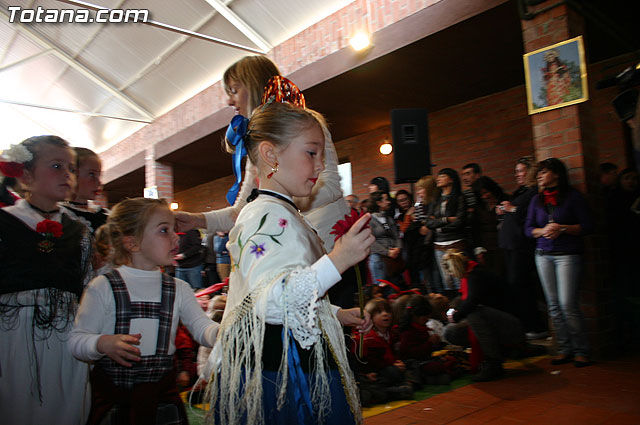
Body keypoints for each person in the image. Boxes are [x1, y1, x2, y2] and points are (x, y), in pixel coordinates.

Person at [203, 100, 374, 425]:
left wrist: (334, 313)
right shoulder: (264, 216)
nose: (321, 165)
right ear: (271, 155)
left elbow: (282, 288)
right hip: (281, 375)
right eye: (311, 152)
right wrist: (338, 260)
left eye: (322, 155)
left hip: (289, 363)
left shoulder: (281, 213)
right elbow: (271, 303)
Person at [69, 197, 219, 424]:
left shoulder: (178, 288)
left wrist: (219, 334)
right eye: (164, 230)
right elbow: (76, 341)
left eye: (174, 229)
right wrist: (101, 343)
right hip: (117, 401)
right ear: (132, 243)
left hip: (161, 400)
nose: (175, 237)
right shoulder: (103, 286)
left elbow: (200, 326)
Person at [0, 136, 92, 425]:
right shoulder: (5, 222)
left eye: (71, 168)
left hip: (65, 330)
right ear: (26, 175)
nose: (67, 174)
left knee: (65, 402)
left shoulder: (79, 230)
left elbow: (85, 282)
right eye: (56, 166)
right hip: (12, 331)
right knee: (17, 401)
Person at [525, 158, 594, 367]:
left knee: (567, 304)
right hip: (543, 254)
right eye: (538, 173)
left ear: (556, 174)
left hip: (567, 255)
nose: (539, 176)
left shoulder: (573, 197)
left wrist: (563, 228)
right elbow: (528, 229)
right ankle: (565, 349)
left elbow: (588, 226)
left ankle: (581, 350)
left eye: (543, 172)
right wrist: (543, 231)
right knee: (553, 305)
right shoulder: (536, 199)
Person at [441, 250, 526, 382]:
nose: (452, 276)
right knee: (451, 331)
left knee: (474, 313)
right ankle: (499, 352)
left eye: (451, 273)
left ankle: (493, 361)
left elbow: (471, 302)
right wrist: (454, 310)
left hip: (511, 326)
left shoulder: (477, 276)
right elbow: (464, 300)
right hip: (498, 322)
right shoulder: (470, 276)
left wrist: (456, 316)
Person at [497, 156, 547, 339]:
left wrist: (511, 209)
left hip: (522, 245)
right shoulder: (521, 191)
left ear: (530, 171)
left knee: (521, 284)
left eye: (520, 171)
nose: (517, 174)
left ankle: (535, 326)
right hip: (510, 244)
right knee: (514, 285)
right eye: (516, 171)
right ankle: (525, 324)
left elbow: (530, 216)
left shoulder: (534, 192)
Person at [425, 168, 466, 297]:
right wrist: (446, 219)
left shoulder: (459, 198)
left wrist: (439, 226)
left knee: (459, 278)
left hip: (456, 243)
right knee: (446, 281)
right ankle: (451, 305)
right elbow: (428, 222)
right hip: (439, 245)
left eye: (442, 176)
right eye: (438, 176)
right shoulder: (435, 200)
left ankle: (462, 303)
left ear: (451, 179)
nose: (438, 179)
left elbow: (459, 221)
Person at [61, 147, 109, 234]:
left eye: (99, 176)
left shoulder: (104, 215)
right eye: (91, 174)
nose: (99, 182)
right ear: (72, 176)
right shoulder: (60, 216)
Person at [471, 176, 507, 275]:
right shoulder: (479, 208)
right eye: (481, 195)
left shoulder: (505, 201)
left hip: (504, 246)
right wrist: (478, 250)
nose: (484, 196)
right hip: (486, 248)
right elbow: (475, 230)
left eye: (486, 192)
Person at [368, 191, 403, 289]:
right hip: (378, 258)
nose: (389, 202)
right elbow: (370, 240)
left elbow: (396, 236)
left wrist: (398, 248)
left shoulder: (389, 219)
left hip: (393, 258)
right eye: (386, 200)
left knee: (395, 289)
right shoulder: (369, 220)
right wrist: (387, 252)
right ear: (378, 203)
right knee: (382, 290)